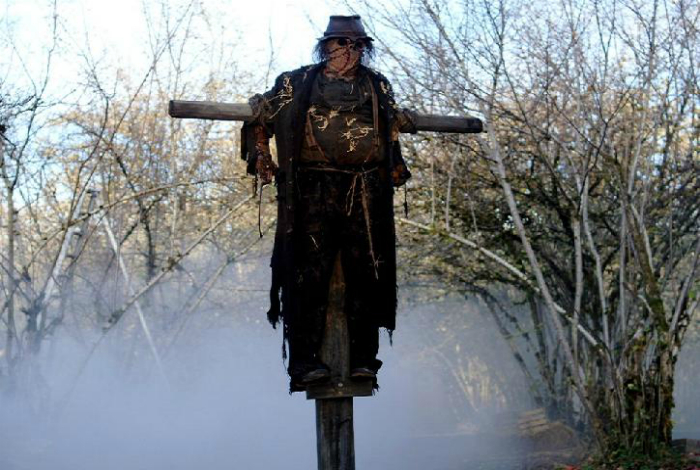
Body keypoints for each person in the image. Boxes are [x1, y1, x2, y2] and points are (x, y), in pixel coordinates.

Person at [242, 15, 414, 392]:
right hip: (313, 189)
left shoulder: (376, 85)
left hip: (365, 189)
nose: (349, 52)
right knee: (308, 274)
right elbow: (259, 116)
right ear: (326, 46)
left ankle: (363, 360)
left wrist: (396, 144)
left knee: (367, 273)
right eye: (341, 44)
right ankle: (305, 363)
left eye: (357, 45)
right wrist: (261, 154)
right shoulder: (297, 82)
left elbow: (391, 128)